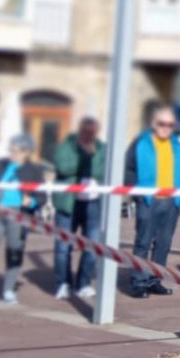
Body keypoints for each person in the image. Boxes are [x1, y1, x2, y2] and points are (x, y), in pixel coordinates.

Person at [0, 131, 48, 305]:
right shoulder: (0, 164)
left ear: (26, 151)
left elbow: (42, 197)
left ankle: (8, 290)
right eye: (11, 149)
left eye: (17, 150)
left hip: (18, 215)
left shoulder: (34, 170)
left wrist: (32, 201)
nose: (13, 153)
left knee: (14, 252)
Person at [121, 104, 180, 297]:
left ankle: (155, 280)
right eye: (162, 123)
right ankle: (138, 282)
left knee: (163, 244)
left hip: (170, 201)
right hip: (148, 201)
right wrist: (137, 194)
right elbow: (128, 169)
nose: (166, 127)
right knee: (143, 242)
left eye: (170, 124)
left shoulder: (176, 144)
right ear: (154, 123)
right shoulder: (141, 142)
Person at [50, 117, 105, 299]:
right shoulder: (66, 146)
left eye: (92, 132)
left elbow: (101, 171)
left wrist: (91, 155)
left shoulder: (101, 147)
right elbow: (63, 167)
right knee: (63, 247)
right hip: (67, 202)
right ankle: (62, 283)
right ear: (80, 130)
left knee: (92, 245)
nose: (89, 135)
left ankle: (83, 283)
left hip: (92, 202)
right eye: (86, 132)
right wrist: (83, 155)